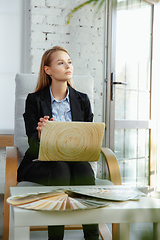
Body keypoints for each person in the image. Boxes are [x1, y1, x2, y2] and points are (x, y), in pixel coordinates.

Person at [17, 46, 99, 240]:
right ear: (48, 70)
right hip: (42, 163)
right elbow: (32, 145)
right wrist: (41, 134)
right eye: (61, 63)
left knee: (85, 170)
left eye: (69, 62)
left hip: (75, 160)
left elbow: (88, 138)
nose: (67, 66)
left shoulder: (82, 100)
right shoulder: (34, 100)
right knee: (61, 169)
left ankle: (92, 236)